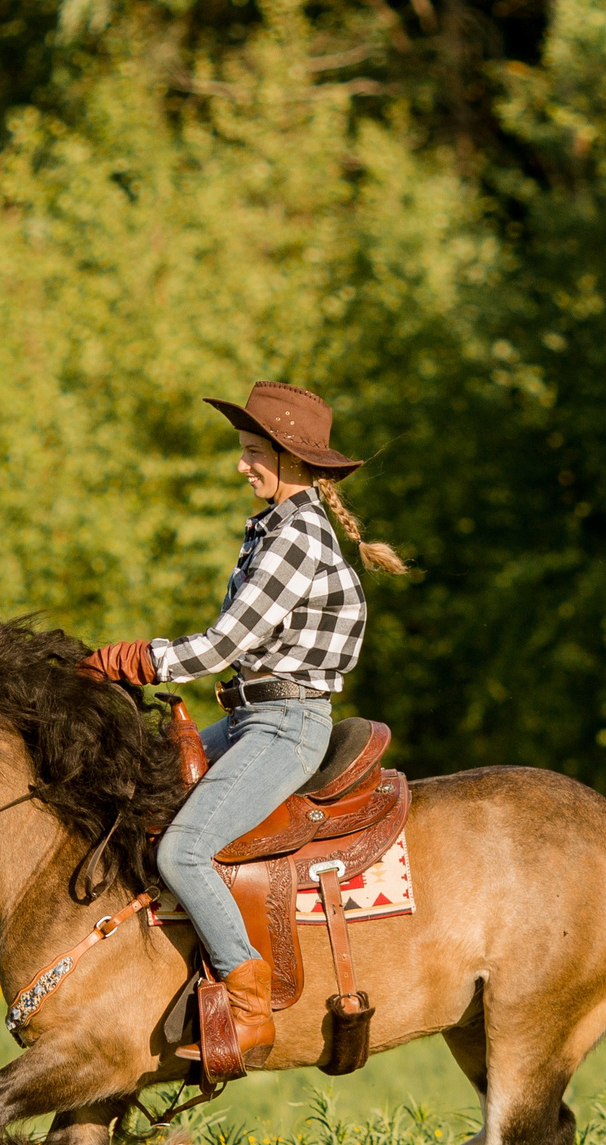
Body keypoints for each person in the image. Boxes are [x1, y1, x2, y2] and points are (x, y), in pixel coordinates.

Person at [79, 381, 405, 1068]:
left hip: (287, 726)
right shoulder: (273, 527)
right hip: (256, 714)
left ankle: (249, 1007)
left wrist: (141, 660)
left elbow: (225, 644)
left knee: (183, 851)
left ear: (289, 460)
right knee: (144, 807)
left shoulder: (296, 538)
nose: (241, 465)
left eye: (253, 452)